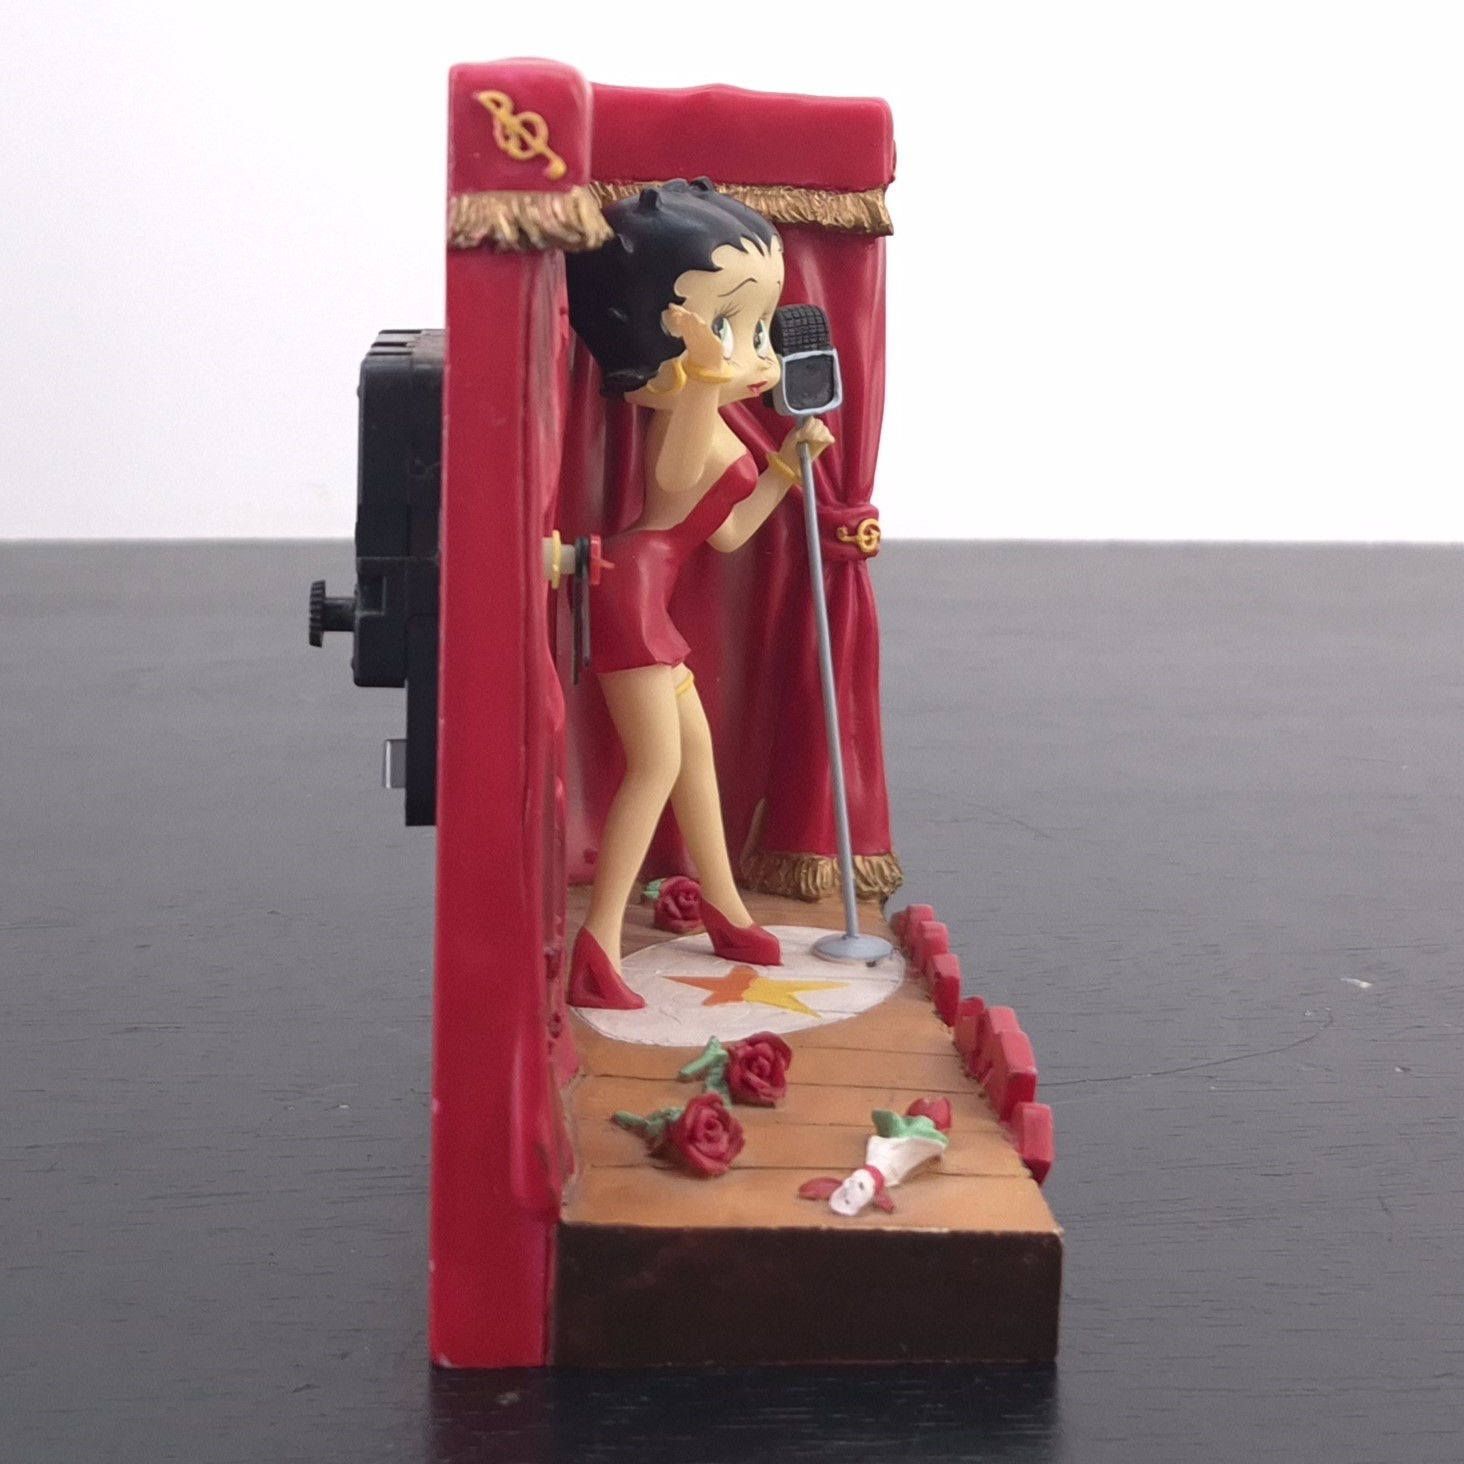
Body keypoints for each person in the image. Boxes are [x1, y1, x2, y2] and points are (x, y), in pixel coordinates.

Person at [563, 178, 834, 1009]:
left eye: (756, 328)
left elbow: (723, 534)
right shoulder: (687, 416)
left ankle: (725, 909)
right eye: (726, 323)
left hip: (652, 596)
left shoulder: (712, 416)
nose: (754, 354)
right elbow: (677, 480)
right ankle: (598, 946)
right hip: (631, 598)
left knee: (696, 762)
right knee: (655, 768)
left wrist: (787, 468)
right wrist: (708, 378)